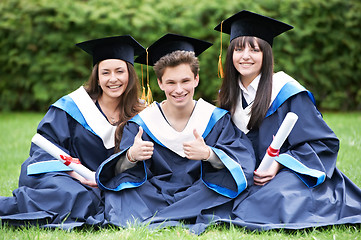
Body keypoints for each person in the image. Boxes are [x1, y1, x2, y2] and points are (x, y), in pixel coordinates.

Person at [212, 10, 361, 230]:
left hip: (291, 172)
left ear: (266, 54)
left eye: (254, 49)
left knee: (274, 198)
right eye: (238, 49)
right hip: (248, 174)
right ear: (230, 54)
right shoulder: (228, 96)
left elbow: (322, 143)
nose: (245, 56)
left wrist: (279, 164)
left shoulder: (287, 91)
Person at [96, 33, 256, 233]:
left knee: (224, 184)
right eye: (171, 83)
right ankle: (184, 214)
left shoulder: (216, 120)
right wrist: (130, 156)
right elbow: (117, 172)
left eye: (185, 81)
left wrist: (209, 154)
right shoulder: (142, 124)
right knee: (122, 189)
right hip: (156, 193)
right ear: (160, 83)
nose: (179, 90)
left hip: (200, 190)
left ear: (196, 79)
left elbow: (243, 163)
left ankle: (157, 217)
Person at [0, 35, 146, 228]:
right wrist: (76, 174)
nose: (113, 79)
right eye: (105, 73)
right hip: (66, 177)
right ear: (97, 77)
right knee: (77, 196)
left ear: (130, 75)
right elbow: (44, 150)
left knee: (126, 199)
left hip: (110, 182)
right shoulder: (73, 107)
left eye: (120, 71)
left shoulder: (141, 112)